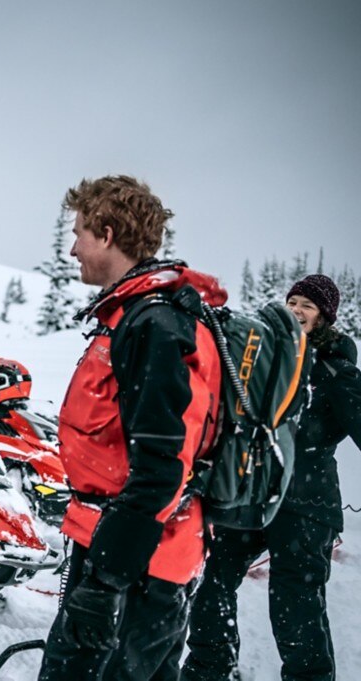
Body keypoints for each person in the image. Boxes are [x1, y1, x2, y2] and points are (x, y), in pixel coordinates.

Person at [39, 175, 226, 680]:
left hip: (138, 564)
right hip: (126, 549)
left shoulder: (154, 326)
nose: (72, 247)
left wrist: (104, 582)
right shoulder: (133, 315)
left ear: (105, 233)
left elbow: (163, 468)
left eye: (78, 232)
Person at [182, 274, 361, 681]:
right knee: (211, 581)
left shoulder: (336, 369)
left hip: (306, 504)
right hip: (253, 494)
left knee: (295, 603)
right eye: (293, 301)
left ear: (324, 317)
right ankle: (209, 670)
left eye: (308, 306)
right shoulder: (268, 355)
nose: (296, 310)